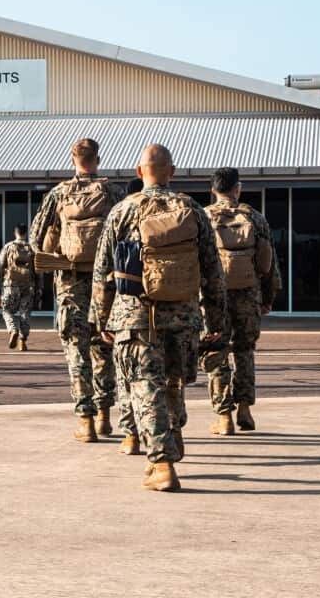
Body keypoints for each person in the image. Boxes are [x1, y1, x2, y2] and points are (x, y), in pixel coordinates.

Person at [91, 144, 226, 492]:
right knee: (173, 382)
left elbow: (102, 270)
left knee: (144, 388)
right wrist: (216, 322)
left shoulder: (123, 211)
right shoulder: (194, 211)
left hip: (136, 318)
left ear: (139, 172)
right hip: (183, 317)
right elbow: (213, 272)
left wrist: (101, 319)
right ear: (172, 171)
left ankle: (162, 463)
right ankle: (174, 435)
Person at [30, 138, 125, 443]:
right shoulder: (113, 192)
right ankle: (105, 418)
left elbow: (34, 237)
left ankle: (84, 421)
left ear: (72, 160)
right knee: (104, 347)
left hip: (70, 283)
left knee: (76, 349)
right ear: (98, 159)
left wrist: (56, 254)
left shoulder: (59, 193)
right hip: (105, 284)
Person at [203, 167, 281, 434]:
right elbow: (269, 264)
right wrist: (268, 297)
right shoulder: (256, 218)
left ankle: (223, 415)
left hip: (213, 298)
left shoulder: (204, 218)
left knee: (217, 350)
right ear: (238, 188)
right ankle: (245, 408)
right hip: (249, 294)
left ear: (213, 190)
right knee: (244, 351)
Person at [0, 224, 39, 351]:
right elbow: (38, 269)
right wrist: (39, 286)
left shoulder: (8, 247)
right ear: (25, 233)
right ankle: (22, 340)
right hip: (28, 285)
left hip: (11, 285)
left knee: (7, 310)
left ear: (15, 233)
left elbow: (0, 265)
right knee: (25, 312)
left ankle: (13, 330)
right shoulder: (32, 248)